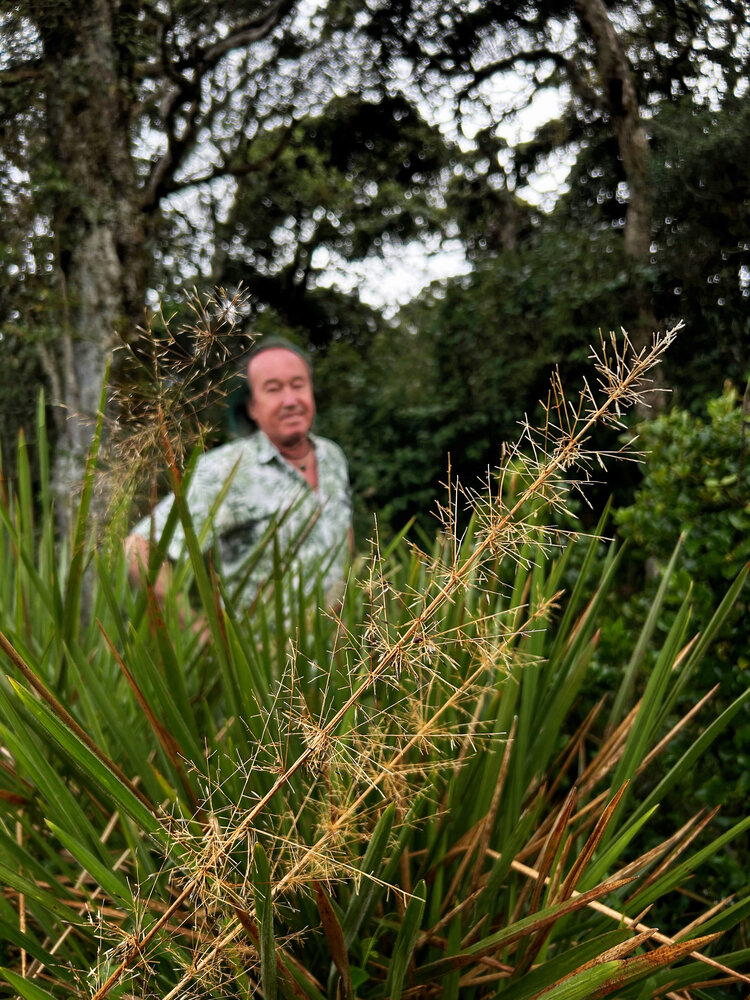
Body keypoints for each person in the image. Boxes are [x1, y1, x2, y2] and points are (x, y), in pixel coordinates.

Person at [126, 338, 352, 612]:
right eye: (273, 389)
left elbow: (341, 527)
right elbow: (139, 548)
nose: (290, 400)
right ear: (252, 406)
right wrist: (193, 627)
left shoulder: (332, 456)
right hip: (259, 640)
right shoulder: (226, 469)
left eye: (298, 385)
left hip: (339, 638)